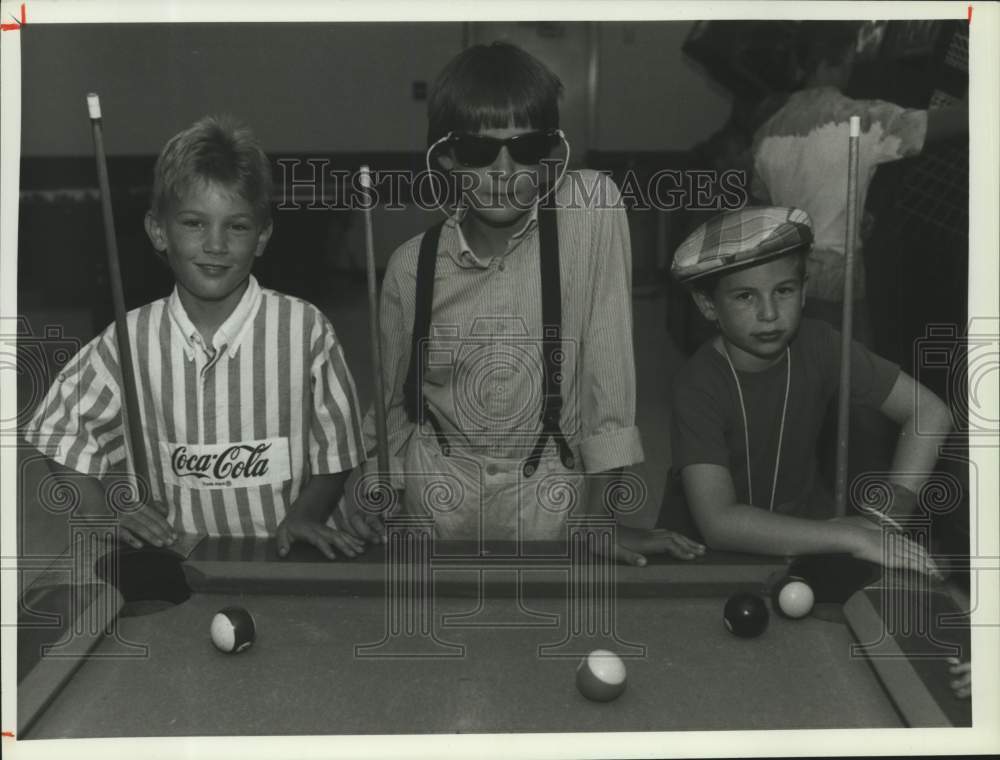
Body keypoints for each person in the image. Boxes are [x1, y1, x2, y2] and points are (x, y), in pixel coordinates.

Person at [349, 42, 703, 565]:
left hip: (550, 509)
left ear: (549, 157)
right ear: (445, 157)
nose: (503, 169)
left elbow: (609, 376)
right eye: (477, 151)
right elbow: (398, 402)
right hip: (436, 511)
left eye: (526, 148)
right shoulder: (410, 266)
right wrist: (376, 484)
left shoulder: (591, 211)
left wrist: (601, 516)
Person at [24, 116, 367, 559]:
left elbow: (336, 451)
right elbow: (57, 430)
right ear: (158, 231)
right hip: (178, 563)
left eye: (237, 227)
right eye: (194, 224)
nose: (216, 245)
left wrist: (308, 514)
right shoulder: (129, 340)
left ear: (262, 236)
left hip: (287, 558)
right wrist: (99, 514)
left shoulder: (306, 330)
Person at [656, 206, 952, 573]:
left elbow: (929, 412)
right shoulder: (697, 384)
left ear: (804, 291)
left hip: (802, 543)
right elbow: (719, 523)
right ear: (707, 304)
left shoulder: (821, 344)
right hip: (697, 562)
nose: (769, 313)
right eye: (745, 296)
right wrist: (854, 537)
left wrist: (886, 521)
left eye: (783, 290)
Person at [751, 21, 968, 344]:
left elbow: (764, 202)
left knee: (801, 377)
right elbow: (956, 122)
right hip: (836, 284)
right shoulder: (861, 119)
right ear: (836, 61)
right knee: (852, 384)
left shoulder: (766, 130)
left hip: (783, 280)